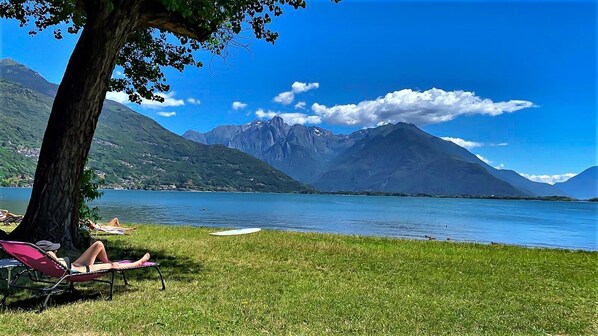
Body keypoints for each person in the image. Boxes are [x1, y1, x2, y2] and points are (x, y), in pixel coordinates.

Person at [40, 240, 150, 273]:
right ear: (47, 252)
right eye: (53, 249)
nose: (56, 250)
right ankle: (138, 262)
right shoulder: (48, 256)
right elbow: (50, 256)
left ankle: (108, 262)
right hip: (78, 270)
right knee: (113, 267)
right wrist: (50, 253)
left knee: (98, 244)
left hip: (75, 265)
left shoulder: (40, 259)